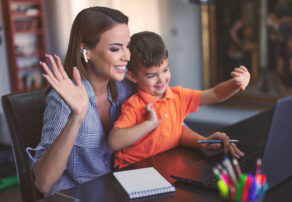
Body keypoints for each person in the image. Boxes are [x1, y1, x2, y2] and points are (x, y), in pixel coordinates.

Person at [26, 7, 239, 196]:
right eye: (115, 48)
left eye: (127, 46)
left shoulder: (127, 85)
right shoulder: (61, 101)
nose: (127, 56)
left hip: (122, 186)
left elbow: (169, 120)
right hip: (79, 194)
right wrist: (77, 116)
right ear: (86, 51)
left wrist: (203, 141)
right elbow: (44, 184)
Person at [108, 31, 250, 169]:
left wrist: (236, 83)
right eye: (152, 76)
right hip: (132, 169)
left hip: (163, 163)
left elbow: (215, 94)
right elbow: (114, 142)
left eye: (165, 70)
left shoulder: (178, 96)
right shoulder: (134, 104)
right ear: (133, 77)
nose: (161, 80)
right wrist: (149, 124)